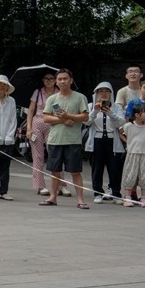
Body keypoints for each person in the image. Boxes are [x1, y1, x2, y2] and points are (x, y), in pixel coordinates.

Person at [41, 69, 90, 209]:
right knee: (55, 170)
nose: (62, 81)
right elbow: (45, 117)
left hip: (73, 140)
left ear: (71, 80)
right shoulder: (52, 99)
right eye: (60, 79)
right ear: (56, 82)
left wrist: (69, 116)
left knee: (75, 171)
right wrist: (63, 120)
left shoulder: (80, 97)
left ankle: (80, 199)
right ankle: (53, 197)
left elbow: (85, 116)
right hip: (55, 139)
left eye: (65, 79)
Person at [86, 81, 124, 203]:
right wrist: (95, 111)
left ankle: (116, 193)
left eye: (107, 91)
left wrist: (110, 113)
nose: (104, 94)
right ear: (96, 93)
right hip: (96, 139)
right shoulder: (91, 105)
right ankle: (97, 192)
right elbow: (86, 122)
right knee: (97, 168)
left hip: (113, 140)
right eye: (101, 91)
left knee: (115, 168)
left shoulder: (117, 107)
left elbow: (121, 123)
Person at [27, 71, 58, 197]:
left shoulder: (58, 92)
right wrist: (29, 128)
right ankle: (40, 185)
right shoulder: (38, 92)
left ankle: (60, 185)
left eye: (51, 78)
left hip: (53, 123)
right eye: (46, 78)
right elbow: (31, 110)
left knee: (55, 154)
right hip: (38, 122)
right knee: (38, 155)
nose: (49, 81)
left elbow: (60, 110)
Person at [120, 104, 145, 207]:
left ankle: (143, 198)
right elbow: (120, 132)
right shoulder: (129, 126)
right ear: (137, 114)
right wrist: (128, 142)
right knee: (130, 174)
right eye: (144, 112)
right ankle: (127, 197)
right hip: (132, 153)